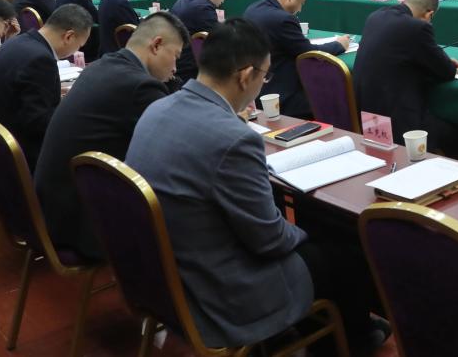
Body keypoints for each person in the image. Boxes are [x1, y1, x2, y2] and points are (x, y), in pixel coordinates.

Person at [127, 19, 384, 353]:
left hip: (162, 278)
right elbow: (270, 239)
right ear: (246, 76)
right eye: (265, 77)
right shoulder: (234, 139)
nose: (262, 84)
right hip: (218, 292)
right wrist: (308, 236)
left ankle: (322, 326)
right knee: (345, 253)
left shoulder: (156, 108)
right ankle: (351, 343)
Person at [35, 12, 186, 260]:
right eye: (175, 57)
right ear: (156, 45)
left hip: (53, 208)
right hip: (83, 225)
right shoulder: (140, 86)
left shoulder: (103, 65)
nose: (175, 68)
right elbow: (179, 142)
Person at [0, 4, 92, 170]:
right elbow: (40, 124)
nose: (78, 49)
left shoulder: (17, 42)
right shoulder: (40, 59)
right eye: (80, 45)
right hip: (18, 158)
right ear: (68, 36)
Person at [353, 0, 458, 148]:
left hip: (366, 117)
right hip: (400, 125)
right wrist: (448, 63)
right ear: (429, 14)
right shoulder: (418, 27)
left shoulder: (375, 16)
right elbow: (447, 72)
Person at [244, 0, 348, 118]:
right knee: (333, 99)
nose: (300, 9)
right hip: (283, 94)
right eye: (301, 3)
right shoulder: (284, 19)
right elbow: (308, 52)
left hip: (256, 89)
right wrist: (339, 45)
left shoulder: (252, 9)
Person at [169, 0, 235, 80]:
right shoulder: (203, 8)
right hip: (190, 72)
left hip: (177, 65)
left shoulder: (183, 0)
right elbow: (221, 42)